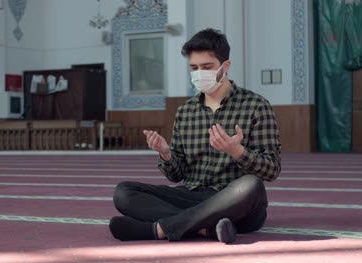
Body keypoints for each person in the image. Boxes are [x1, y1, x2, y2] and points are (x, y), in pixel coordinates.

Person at [109, 28, 281, 243]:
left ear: (225, 66)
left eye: (207, 67)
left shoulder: (256, 106)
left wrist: (237, 151)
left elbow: (272, 170)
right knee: (124, 192)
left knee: (251, 185)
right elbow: (176, 175)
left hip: (237, 203)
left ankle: (158, 229)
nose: (200, 73)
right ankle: (205, 229)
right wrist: (166, 154)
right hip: (192, 196)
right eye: (194, 68)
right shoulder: (185, 111)